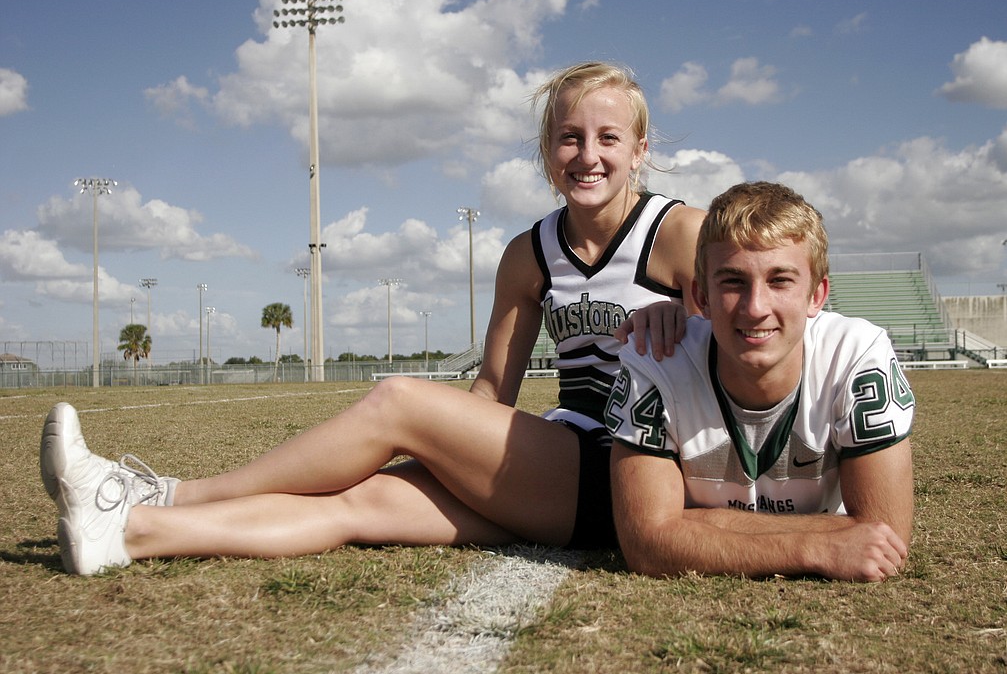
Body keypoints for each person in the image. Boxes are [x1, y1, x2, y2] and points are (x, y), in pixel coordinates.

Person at [40, 61, 706, 576]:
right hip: (555, 467)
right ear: (546, 149)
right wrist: (448, 455)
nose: (588, 154)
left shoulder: (678, 232)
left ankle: (169, 494)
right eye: (570, 136)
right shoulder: (527, 254)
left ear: (640, 148)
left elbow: (751, 338)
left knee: (398, 400)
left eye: (608, 137)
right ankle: (125, 532)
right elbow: (490, 397)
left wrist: (688, 317)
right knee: (360, 504)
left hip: (630, 472)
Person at [605, 181, 913, 582]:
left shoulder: (855, 355)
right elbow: (646, 544)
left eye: (780, 280)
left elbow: (883, 538)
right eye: (733, 281)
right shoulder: (657, 361)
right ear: (703, 295)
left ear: (816, 295)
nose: (755, 308)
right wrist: (815, 545)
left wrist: (693, 525)